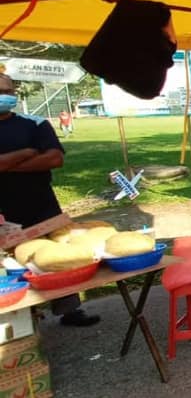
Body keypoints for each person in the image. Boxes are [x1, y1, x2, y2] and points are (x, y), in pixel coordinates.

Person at [0, 74, 100, 327]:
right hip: (4, 210)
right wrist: (25, 153)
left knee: (59, 257)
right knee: (13, 263)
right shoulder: (31, 137)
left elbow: (55, 159)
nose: (4, 95)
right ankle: (22, 318)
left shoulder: (34, 124)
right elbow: (40, 157)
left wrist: (6, 164)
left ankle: (69, 309)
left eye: (8, 90)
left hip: (41, 203)